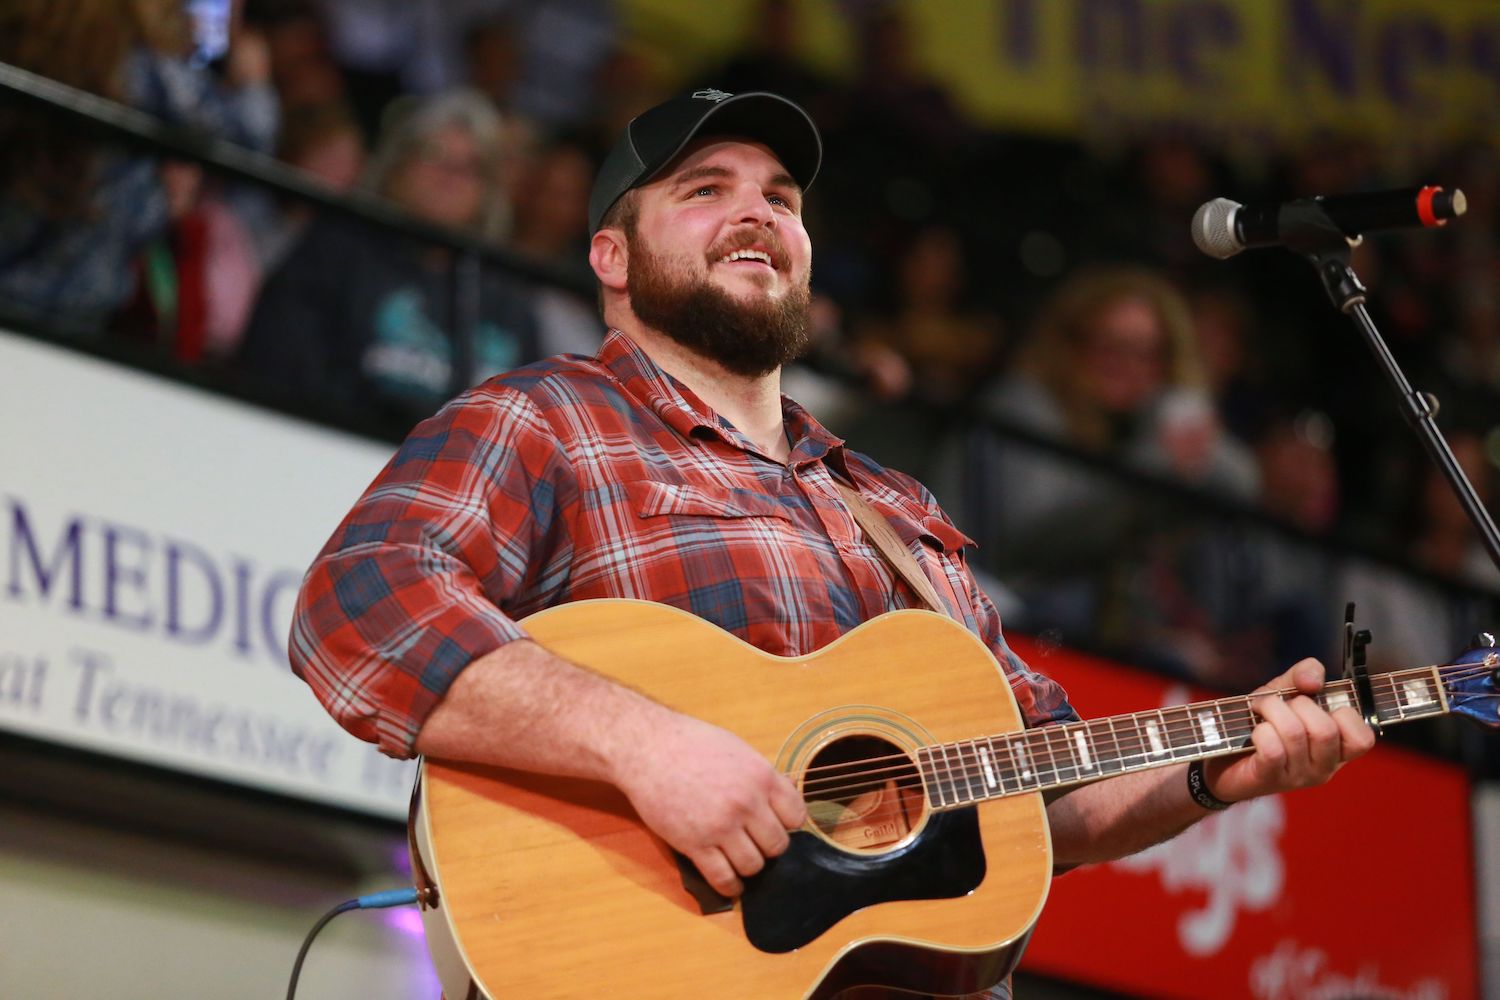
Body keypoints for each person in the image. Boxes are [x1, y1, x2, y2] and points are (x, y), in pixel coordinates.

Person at [288, 90, 1375, 998]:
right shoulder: (549, 417)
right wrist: (647, 745)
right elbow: (358, 605)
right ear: (611, 257)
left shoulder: (894, 509)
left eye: (780, 197)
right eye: (704, 189)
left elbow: (1042, 786)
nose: (754, 213)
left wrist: (1209, 772)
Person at [235, 88, 538, 425]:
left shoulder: (507, 296)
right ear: (395, 166)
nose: (451, 176)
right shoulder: (335, 250)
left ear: (488, 193)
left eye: (471, 166)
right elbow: (279, 370)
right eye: (433, 154)